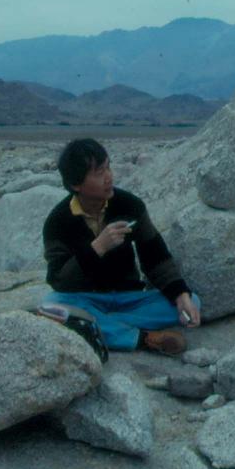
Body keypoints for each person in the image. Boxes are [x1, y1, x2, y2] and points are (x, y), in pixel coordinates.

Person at [41, 138, 200, 355]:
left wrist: (180, 293)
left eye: (108, 167)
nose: (109, 177)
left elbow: (154, 255)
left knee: (192, 302)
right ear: (75, 184)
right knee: (51, 304)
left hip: (128, 297)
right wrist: (97, 248)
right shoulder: (57, 222)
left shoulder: (130, 205)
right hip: (87, 298)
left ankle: (97, 326)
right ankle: (142, 338)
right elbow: (59, 281)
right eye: (99, 173)